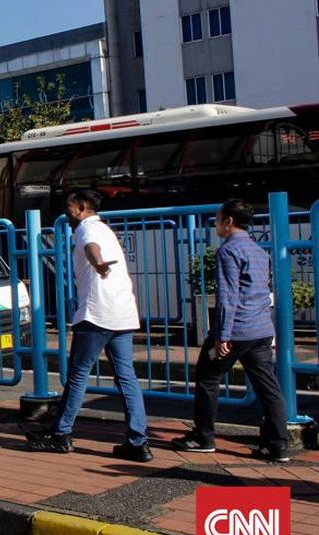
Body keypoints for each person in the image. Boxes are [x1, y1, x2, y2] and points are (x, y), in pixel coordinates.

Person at [27, 189, 152, 462]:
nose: (66, 214)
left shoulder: (86, 229)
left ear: (82, 207)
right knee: (127, 378)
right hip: (123, 313)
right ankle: (138, 441)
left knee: (78, 375)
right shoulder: (105, 229)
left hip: (97, 313)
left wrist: (98, 265)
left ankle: (61, 434)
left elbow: (91, 249)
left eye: (69, 208)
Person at [172, 199, 290, 462]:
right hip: (261, 330)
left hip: (235, 331)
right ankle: (277, 445)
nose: (216, 224)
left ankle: (203, 436)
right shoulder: (260, 251)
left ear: (228, 221)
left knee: (207, 378)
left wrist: (222, 336)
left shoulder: (227, 251)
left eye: (217, 218)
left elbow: (228, 296)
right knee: (268, 387)